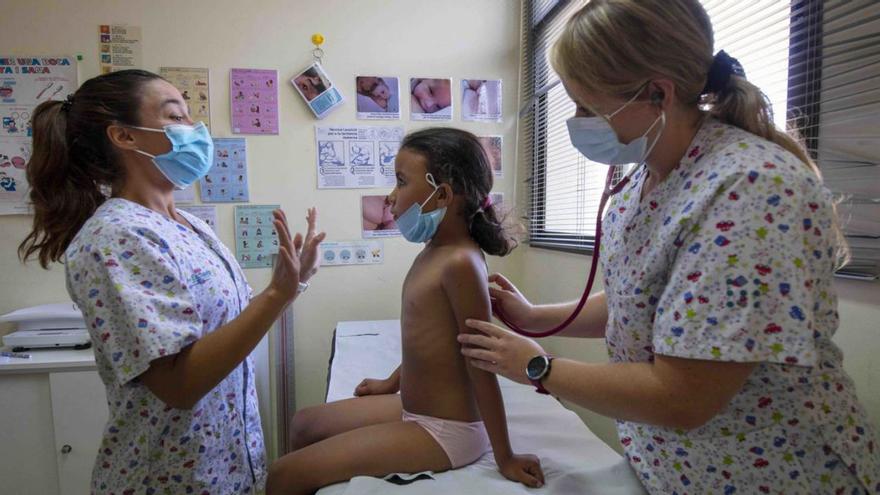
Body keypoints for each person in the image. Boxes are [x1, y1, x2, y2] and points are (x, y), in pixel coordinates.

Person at [457, 1, 880, 493]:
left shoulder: (751, 189)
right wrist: (535, 317)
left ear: (658, 92)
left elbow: (683, 396)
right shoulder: (640, 179)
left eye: (589, 108)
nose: (578, 122)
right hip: (675, 469)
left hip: (772, 472)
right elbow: (644, 299)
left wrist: (537, 366)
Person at [18, 69, 326, 493]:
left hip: (226, 465)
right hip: (170, 478)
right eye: (175, 116)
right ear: (125, 137)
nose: (194, 129)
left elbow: (225, 326)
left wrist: (294, 284)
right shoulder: (116, 236)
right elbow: (179, 384)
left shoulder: (185, 225)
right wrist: (276, 295)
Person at [266, 128, 544, 494]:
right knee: (303, 424)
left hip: (446, 430)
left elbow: (481, 364)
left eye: (400, 181)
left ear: (442, 194)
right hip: (412, 406)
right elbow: (431, 343)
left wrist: (504, 455)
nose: (391, 196)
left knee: (283, 475)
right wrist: (390, 383)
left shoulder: (460, 262)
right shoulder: (433, 252)